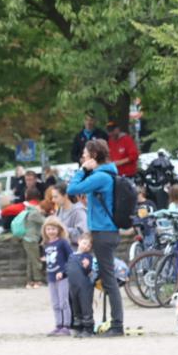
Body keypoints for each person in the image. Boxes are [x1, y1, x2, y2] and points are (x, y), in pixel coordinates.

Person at [67, 139, 124, 337]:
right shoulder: (107, 173)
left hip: (103, 232)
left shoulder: (101, 176)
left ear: (94, 155)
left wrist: (82, 170)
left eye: (85, 153)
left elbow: (72, 189)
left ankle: (117, 325)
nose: (82, 156)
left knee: (109, 280)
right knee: (105, 277)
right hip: (106, 231)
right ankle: (90, 321)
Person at [42, 216, 73, 336]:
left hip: (63, 277)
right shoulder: (46, 244)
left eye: (53, 229)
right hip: (51, 277)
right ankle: (58, 324)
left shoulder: (63, 243)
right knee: (55, 302)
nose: (51, 231)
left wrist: (64, 271)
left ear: (58, 229)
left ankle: (66, 325)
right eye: (48, 229)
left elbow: (70, 257)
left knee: (63, 301)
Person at [66, 233, 95, 337]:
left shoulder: (88, 257)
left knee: (86, 307)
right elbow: (68, 269)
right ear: (79, 241)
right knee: (75, 307)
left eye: (88, 246)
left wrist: (87, 266)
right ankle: (78, 327)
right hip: (73, 287)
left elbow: (88, 271)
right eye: (84, 243)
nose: (86, 247)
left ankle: (88, 328)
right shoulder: (71, 256)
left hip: (84, 287)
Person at [20, 188, 46, 288]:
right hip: (31, 239)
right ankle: (37, 281)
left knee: (30, 260)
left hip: (26, 238)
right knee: (35, 260)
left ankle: (29, 281)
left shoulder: (27, 210)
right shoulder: (34, 212)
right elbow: (45, 222)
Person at [51, 182, 88, 248]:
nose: (53, 200)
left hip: (74, 253)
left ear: (65, 196)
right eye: (52, 197)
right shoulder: (59, 211)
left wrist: (61, 229)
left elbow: (83, 235)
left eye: (56, 197)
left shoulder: (79, 211)